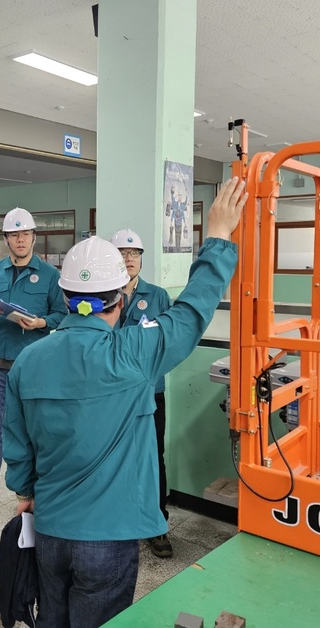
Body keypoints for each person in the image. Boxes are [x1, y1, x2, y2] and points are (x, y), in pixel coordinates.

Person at [3, 178, 247, 628]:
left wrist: (24, 491)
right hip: (109, 538)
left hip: (50, 530)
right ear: (119, 300)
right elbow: (191, 313)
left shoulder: (28, 361)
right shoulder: (133, 353)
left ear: (66, 296)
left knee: (51, 618)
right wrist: (219, 235)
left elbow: (16, 444)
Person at [0, 207, 66, 516]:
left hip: (33, 366)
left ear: (34, 237)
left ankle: (34, 490)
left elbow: (61, 315)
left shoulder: (51, 275)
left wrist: (41, 323)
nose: (20, 240)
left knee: (34, 428)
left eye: (25, 234)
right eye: (14, 235)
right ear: (6, 239)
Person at [109, 228, 173, 558]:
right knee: (116, 457)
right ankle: (121, 520)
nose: (129, 258)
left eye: (134, 254)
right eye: (122, 253)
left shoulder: (158, 295)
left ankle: (157, 524)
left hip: (150, 390)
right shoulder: (104, 295)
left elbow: (168, 339)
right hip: (113, 393)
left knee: (152, 457)